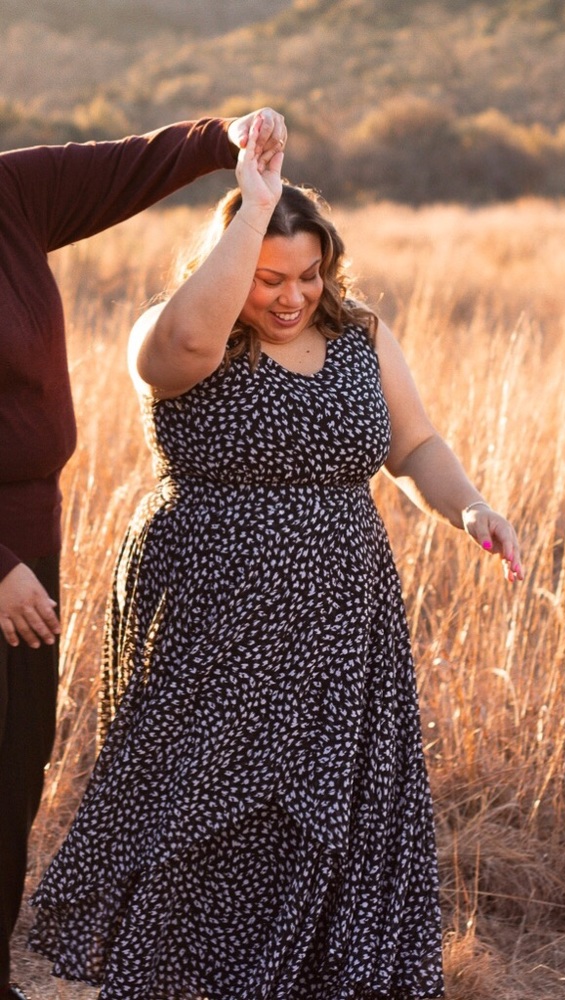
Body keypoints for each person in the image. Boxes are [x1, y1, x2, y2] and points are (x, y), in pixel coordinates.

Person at [27, 116, 523, 998]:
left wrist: (472, 507)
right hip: (212, 615)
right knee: (206, 810)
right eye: (266, 278)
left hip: (343, 618)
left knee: (327, 817)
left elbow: (413, 448)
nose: (290, 297)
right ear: (231, 256)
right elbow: (181, 351)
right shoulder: (178, 331)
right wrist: (253, 208)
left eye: (307, 275)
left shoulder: (361, 337)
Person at [0, 105, 288, 1000]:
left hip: (30, 543)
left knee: (14, 767)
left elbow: (126, 166)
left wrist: (226, 137)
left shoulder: (11, 192)